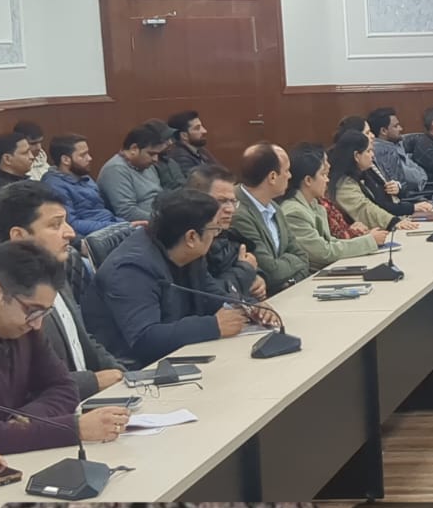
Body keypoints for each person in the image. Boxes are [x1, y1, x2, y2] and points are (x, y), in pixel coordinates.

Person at [0, 243, 129, 454]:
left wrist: (21, 421)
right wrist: (73, 429)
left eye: (44, 313)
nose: (37, 324)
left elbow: (64, 387)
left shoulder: (24, 325)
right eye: (33, 312)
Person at [85, 189, 266, 367]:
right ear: (191, 237)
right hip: (135, 369)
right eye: (214, 229)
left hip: (180, 355)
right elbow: (145, 339)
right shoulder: (131, 269)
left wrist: (249, 307)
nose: (216, 235)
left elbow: (211, 296)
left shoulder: (188, 254)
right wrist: (212, 326)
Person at [0, 180, 125, 402]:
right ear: (19, 236)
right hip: (59, 413)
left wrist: (126, 376)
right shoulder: (4, 299)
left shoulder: (55, 270)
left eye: (66, 222)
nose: (70, 233)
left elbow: (82, 340)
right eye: (55, 225)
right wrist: (92, 382)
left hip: (95, 400)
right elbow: (23, 387)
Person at [280, 143, 390, 270]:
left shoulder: (314, 204)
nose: (327, 180)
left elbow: (331, 241)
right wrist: (369, 242)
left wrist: (366, 239)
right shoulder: (294, 213)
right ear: (308, 180)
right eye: (323, 175)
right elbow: (323, 252)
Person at [230, 143, 310, 294]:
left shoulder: (274, 207)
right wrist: (293, 262)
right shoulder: (238, 214)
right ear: (272, 177)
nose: (290, 176)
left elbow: (303, 257)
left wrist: (291, 281)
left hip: (287, 293)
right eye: (286, 171)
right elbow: (271, 272)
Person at [185, 169, 265, 301]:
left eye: (233, 201)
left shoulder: (228, 235)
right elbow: (207, 294)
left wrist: (258, 278)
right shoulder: (189, 243)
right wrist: (246, 270)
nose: (230, 209)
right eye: (221, 201)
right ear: (197, 200)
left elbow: (247, 263)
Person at [328, 128, 422, 233]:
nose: (372, 155)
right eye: (368, 151)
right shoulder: (343, 183)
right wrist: (393, 222)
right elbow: (365, 209)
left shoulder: (362, 173)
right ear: (356, 156)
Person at [43, 134, 124, 238]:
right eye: (83, 155)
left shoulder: (83, 176)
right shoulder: (54, 186)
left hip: (110, 225)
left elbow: (103, 211)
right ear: (65, 160)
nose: (89, 158)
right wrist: (117, 227)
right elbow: (71, 224)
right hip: (94, 236)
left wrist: (124, 224)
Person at [98, 123, 169, 222]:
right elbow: (127, 212)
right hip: (143, 225)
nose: (155, 159)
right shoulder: (115, 169)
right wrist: (164, 220)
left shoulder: (146, 165)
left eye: (157, 154)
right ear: (134, 149)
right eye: (151, 154)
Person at [368, 107, 429, 198]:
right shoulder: (384, 152)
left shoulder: (396, 144)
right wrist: (421, 175)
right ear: (383, 131)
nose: (401, 129)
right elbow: (415, 179)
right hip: (407, 199)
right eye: (396, 126)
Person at [158, 110, 224, 190]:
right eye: (197, 128)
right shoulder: (180, 157)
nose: (204, 131)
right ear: (184, 135)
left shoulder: (200, 150)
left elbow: (223, 172)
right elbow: (198, 186)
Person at [0, 130, 34, 213]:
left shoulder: (22, 181)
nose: (32, 156)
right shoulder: (0, 194)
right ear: (7, 159)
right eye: (25, 153)